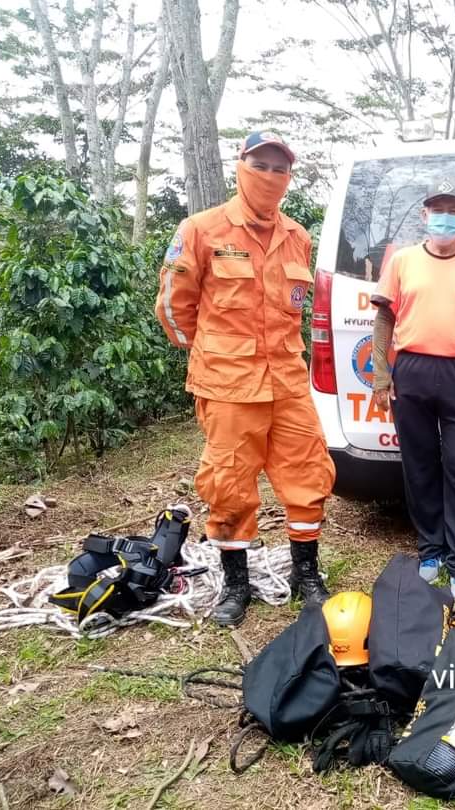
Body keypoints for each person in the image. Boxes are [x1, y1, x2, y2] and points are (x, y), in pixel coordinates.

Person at [155, 130, 336, 626]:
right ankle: (236, 584)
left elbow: (294, 309)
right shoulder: (201, 229)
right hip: (228, 385)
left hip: (288, 380)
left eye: (280, 168)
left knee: (309, 473)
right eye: (261, 165)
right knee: (228, 482)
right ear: (241, 167)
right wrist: (212, 353)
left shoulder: (297, 236)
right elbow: (173, 306)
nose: (270, 176)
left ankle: (306, 573)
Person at [370, 179, 455, 603]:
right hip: (412, 371)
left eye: (453, 210)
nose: (444, 217)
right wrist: (380, 374)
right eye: (437, 209)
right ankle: (431, 550)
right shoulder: (403, 261)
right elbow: (384, 319)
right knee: (420, 465)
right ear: (424, 215)